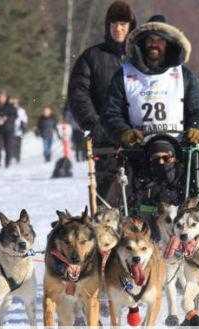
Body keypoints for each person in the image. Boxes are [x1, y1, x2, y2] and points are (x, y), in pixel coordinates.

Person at [102, 15, 199, 201]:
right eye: (150, 40)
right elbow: (110, 113)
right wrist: (123, 132)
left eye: (160, 40)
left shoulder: (183, 75)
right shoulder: (124, 75)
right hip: (138, 151)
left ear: (168, 44)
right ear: (142, 43)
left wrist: (198, 129)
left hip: (179, 150)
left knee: (185, 200)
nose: (154, 44)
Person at [68, 0, 136, 202]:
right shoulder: (92, 57)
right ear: (108, 27)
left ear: (131, 27)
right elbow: (78, 94)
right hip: (106, 139)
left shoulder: (140, 57)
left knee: (139, 195)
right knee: (106, 196)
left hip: (139, 137)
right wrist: (95, 124)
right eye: (114, 24)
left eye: (123, 25)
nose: (118, 29)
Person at [11, 97, 28, 164]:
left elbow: (25, 119)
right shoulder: (10, 110)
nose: (15, 104)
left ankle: (17, 157)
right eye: (14, 103)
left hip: (19, 129)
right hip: (11, 129)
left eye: (16, 103)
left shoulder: (21, 110)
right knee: (12, 143)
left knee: (18, 144)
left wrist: (23, 126)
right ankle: (12, 156)